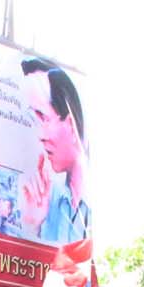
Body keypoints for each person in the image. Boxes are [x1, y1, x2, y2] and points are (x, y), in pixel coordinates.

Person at [19, 59, 90, 245]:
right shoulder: (48, 201)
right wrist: (31, 226)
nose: (40, 137)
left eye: (43, 117)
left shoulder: (96, 207)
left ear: (70, 124)